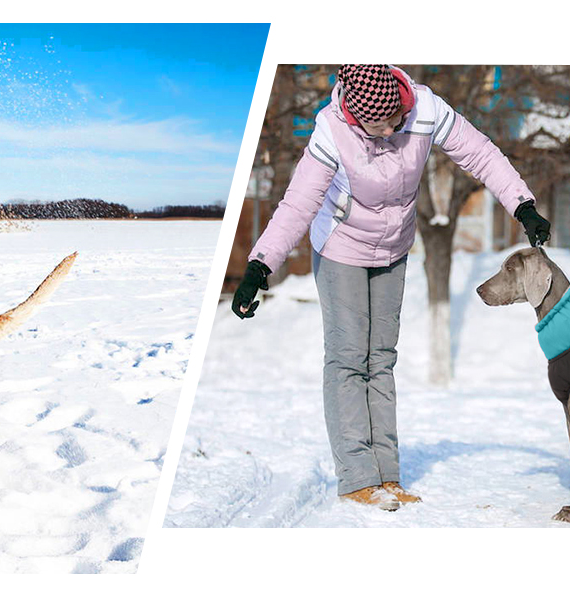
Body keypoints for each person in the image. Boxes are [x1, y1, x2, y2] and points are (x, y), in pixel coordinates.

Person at [230, 64, 551, 511]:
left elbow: (481, 154)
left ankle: (388, 475)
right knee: (347, 359)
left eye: (396, 120)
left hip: (394, 247)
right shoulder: (329, 131)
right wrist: (259, 266)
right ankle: (357, 477)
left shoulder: (424, 108)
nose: (392, 131)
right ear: (355, 115)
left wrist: (523, 205)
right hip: (341, 246)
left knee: (381, 358)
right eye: (380, 126)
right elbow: (298, 203)